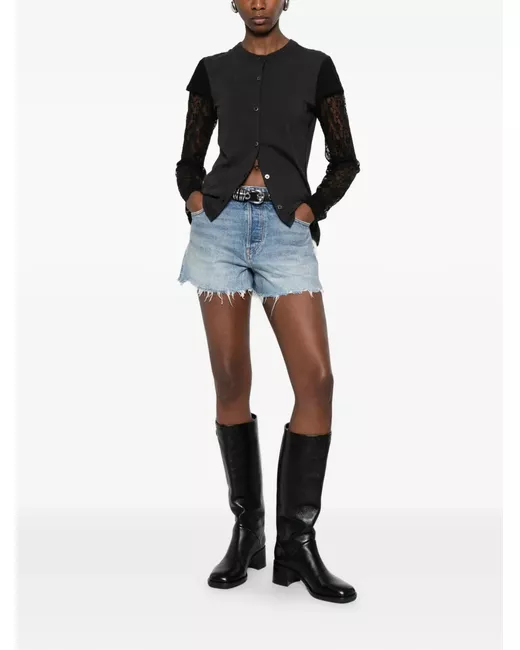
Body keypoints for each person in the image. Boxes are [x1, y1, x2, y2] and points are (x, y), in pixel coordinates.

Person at [175, 0, 360, 604]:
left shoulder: (316, 66)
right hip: (220, 231)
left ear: (285, 1)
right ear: (233, 1)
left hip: (284, 234)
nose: (258, 2)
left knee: (317, 380)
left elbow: (345, 158)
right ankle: (247, 531)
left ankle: (296, 544)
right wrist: (194, 200)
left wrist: (313, 208)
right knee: (231, 378)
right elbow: (188, 159)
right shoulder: (211, 69)